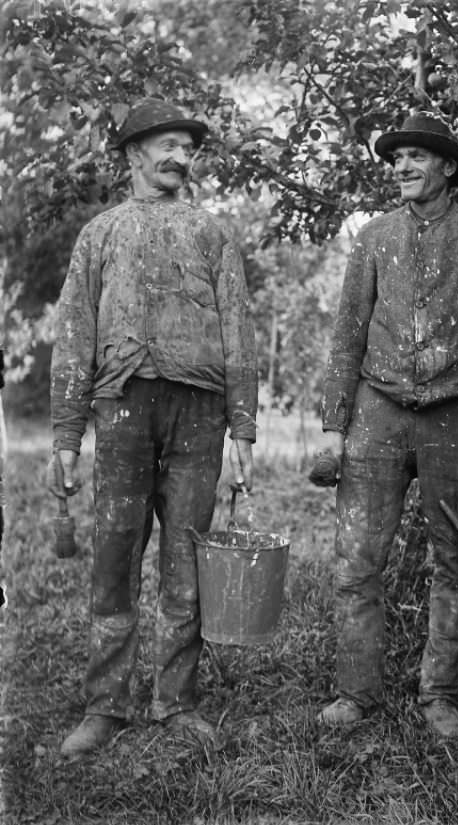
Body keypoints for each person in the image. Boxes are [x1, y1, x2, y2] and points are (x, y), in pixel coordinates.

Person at [48, 99, 258, 758]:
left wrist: (244, 427)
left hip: (200, 414)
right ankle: (106, 702)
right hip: (122, 412)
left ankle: (175, 701)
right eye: (167, 144)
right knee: (113, 557)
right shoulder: (101, 233)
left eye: (186, 147)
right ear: (133, 154)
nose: (179, 157)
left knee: (185, 560)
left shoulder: (212, 231)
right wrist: (64, 436)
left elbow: (238, 329)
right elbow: (75, 335)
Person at [312, 111, 458, 738]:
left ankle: (440, 693)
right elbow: (348, 332)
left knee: (454, 559)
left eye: (415, 157)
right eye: (395, 158)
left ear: (448, 168)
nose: (401, 168)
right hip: (377, 413)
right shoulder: (374, 237)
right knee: (357, 559)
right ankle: (356, 692)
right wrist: (336, 424)